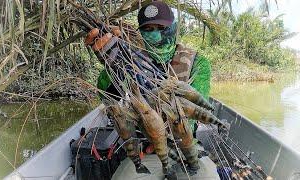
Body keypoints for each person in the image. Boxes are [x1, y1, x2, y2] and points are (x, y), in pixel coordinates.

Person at [86, 1, 211, 178]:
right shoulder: (127, 60)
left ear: (173, 28)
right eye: (148, 29)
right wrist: (111, 64)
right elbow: (108, 97)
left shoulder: (198, 62)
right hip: (145, 151)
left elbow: (189, 119)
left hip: (186, 147)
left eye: (161, 27)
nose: (155, 33)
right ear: (141, 33)